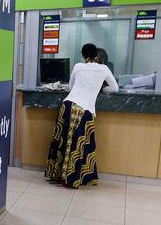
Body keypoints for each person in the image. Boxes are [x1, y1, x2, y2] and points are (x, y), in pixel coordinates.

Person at [45, 43, 118, 189]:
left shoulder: (78, 66)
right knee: (79, 146)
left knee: (62, 142)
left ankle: (58, 175)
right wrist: (101, 88)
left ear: (83, 56)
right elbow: (115, 88)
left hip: (67, 106)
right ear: (96, 55)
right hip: (84, 110)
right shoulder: (104, 68)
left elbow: (70, 87)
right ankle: (72, 179)